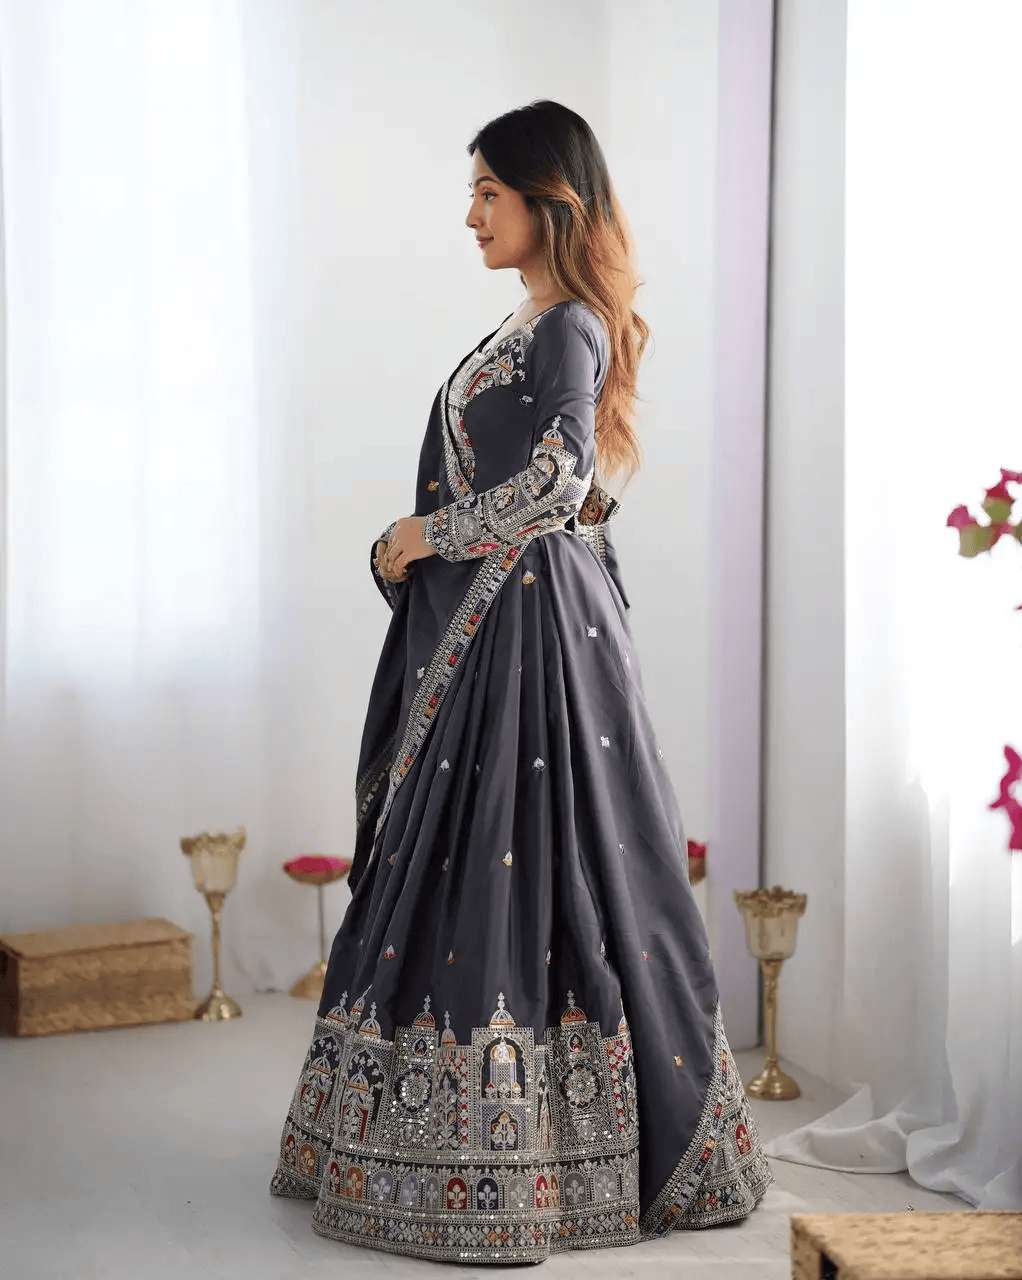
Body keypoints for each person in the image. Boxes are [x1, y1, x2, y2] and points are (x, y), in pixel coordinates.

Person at [269, 98, 773, 1264]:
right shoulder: (528, 323)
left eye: (488, 192)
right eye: (473, 192)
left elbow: (556, 481)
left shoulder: (570, 327)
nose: (470, 215)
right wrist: (435, 546)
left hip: (532, 636)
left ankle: (531, 1158)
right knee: (472, 852)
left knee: (532, 852)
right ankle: (433, 1140)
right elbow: (582, 496)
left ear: (550, 202)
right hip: (512, 620)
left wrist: (426, 536)